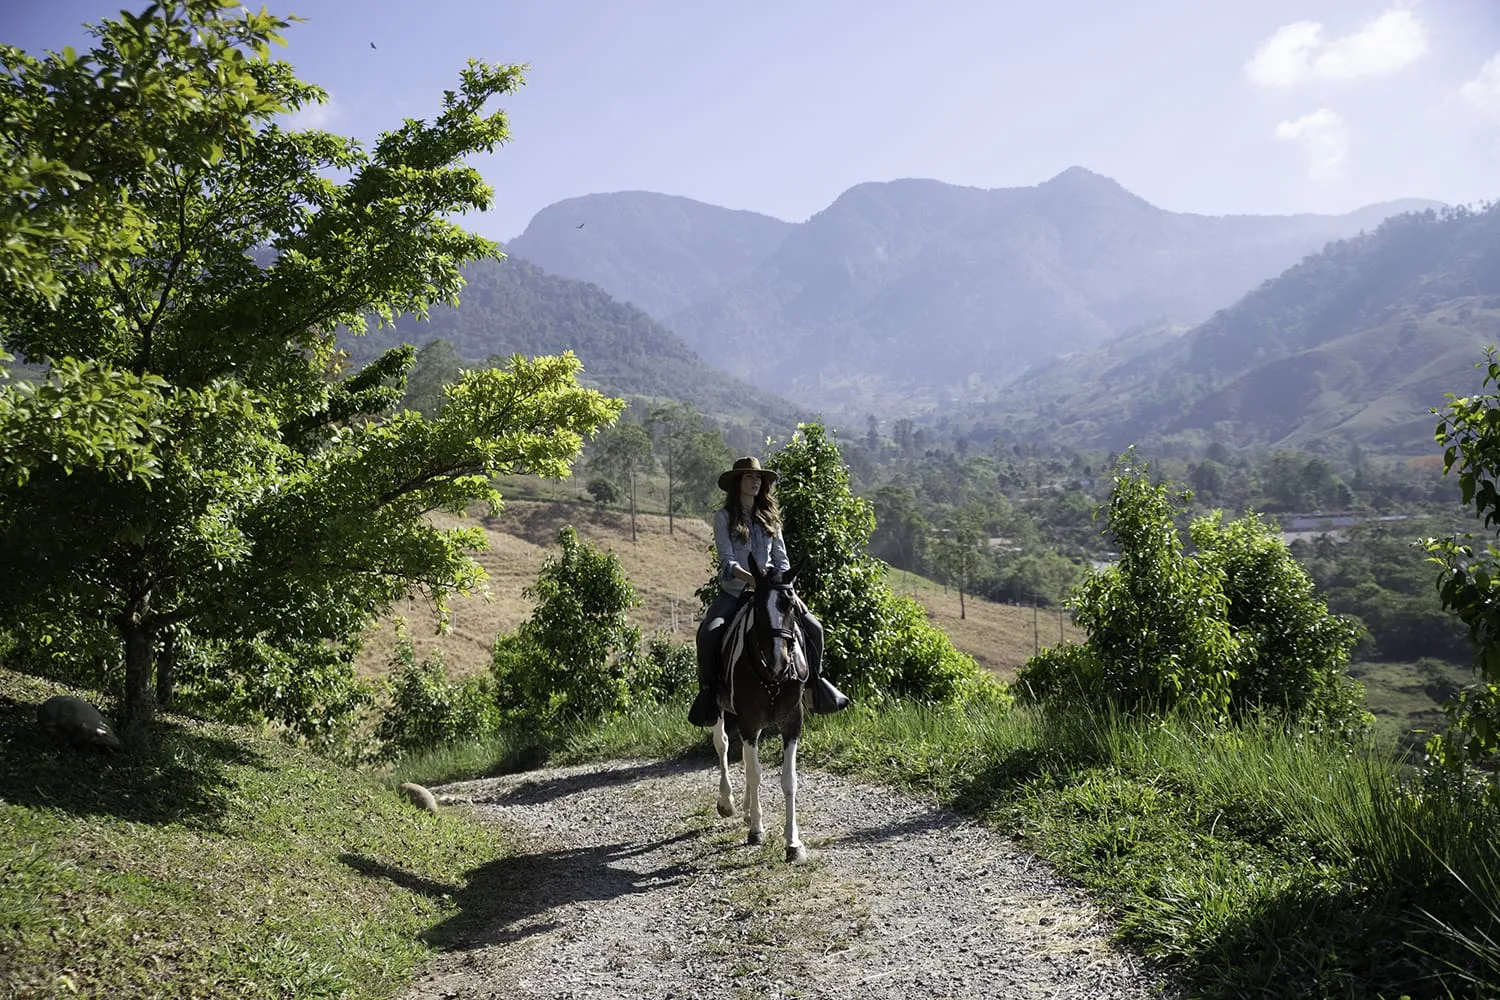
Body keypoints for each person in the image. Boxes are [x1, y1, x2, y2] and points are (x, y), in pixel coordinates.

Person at [689, 456, 851, 727]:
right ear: (738, 482)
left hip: (773, 593)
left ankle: (816, 684)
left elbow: (782, 561)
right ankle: (709, 695)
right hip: (735, 594)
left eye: (758, 478)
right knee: (708, 634)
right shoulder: (724, 517)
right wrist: (752, 580)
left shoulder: (771, 520)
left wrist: (789, 591)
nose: (756, 482)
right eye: (749, 477)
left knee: (815, 628)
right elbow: (727, 561)